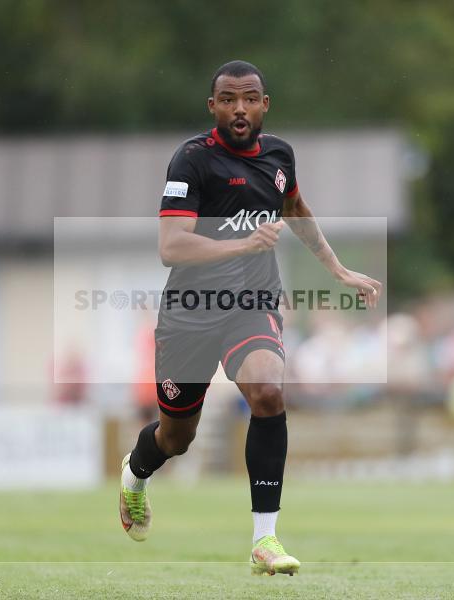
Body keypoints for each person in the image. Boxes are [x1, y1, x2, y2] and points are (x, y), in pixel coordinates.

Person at [117, 60, 382, 576]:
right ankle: (135, 474)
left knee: (267, 392)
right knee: (177, 438)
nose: (239, 108)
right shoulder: (192, 160)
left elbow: (296, 210)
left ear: (265, 104)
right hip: (190, 314)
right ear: (212, 106)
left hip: (252, 304)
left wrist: (337, 269)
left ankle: (265, 539)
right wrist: (243, 242)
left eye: (250, 98)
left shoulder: (280, 156)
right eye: (228, 99)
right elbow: (171, 247)